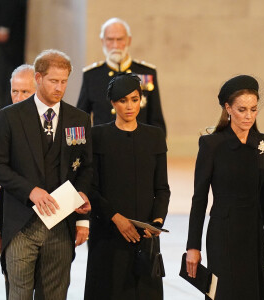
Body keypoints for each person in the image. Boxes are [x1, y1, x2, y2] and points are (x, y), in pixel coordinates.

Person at [0, 49, 92, 300]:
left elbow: (87, 167)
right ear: (38, 78)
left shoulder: (79, 118)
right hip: (21, 225)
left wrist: (83, 198)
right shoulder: (10, 116)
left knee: (55, 296)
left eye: (64, 81)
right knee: (19, 295)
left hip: (61, 226)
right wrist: (30, 191)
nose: (59, 88)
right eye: (53, 81)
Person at [186, 75, 264, 300]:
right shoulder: (211, 144)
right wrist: (193, 246)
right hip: (223, 235)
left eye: (253, 109)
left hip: (253, 234)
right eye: (241, 109)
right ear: (228, 108)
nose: (248, 116)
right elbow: (199, 198)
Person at [84, 73, 170, 300]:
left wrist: (157, 222)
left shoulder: (154, 136)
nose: (129, 106)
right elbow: (91, 188)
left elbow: (162, 187)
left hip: (145, 236)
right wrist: (116, 218)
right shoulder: (98, 135)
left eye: (134, 99)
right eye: (123, 101)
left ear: (141, 99)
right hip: (108, 234)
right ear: (112, 103)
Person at [0, 64, 36, 298]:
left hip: (50, 220)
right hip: (10, 222)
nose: (19, 97)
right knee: (14, 289)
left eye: (26, 92)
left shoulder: (52, 125)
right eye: (15, 91)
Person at [76, 17, 167, 135]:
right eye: (110, 39)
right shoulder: (91, 75)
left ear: (129, 40)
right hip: (102, 148)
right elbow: (80, 120)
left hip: (138, 146)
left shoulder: (146, 72)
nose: (115, 45)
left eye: (120, 39)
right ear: (102, 41)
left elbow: (156, 120)